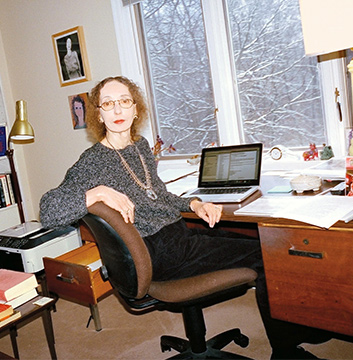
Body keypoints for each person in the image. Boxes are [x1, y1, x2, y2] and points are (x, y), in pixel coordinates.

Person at [40, 76, 330, 359]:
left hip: (179, 237)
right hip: (160, 252)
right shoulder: (93, 161)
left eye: (124, 101)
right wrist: (97, 192)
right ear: (99, 115)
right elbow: (49, 210)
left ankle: (300, 330)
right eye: (108, 103)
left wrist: (194, 204)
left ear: (135, 108)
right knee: (267, 257)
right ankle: (286, 351)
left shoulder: (139, 147)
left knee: (259, 241)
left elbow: (160, 197)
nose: (117, 110)